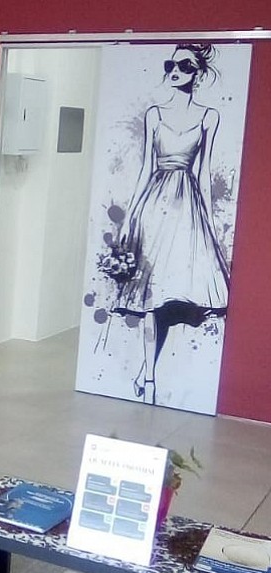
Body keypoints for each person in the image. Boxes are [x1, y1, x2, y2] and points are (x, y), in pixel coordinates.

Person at [113, 44, 230, 405]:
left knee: (167, 298)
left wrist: (210, 226)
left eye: (185, 65)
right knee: (150, 297)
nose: (175, 70)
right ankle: (149, 380)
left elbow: (204, 173)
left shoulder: (209, 116)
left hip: (186, 212)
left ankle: (144, 375)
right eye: (171, 64)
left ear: (199, 73)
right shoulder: (155, 114)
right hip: (153, 207)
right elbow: (145, 169)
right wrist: (130, 217)